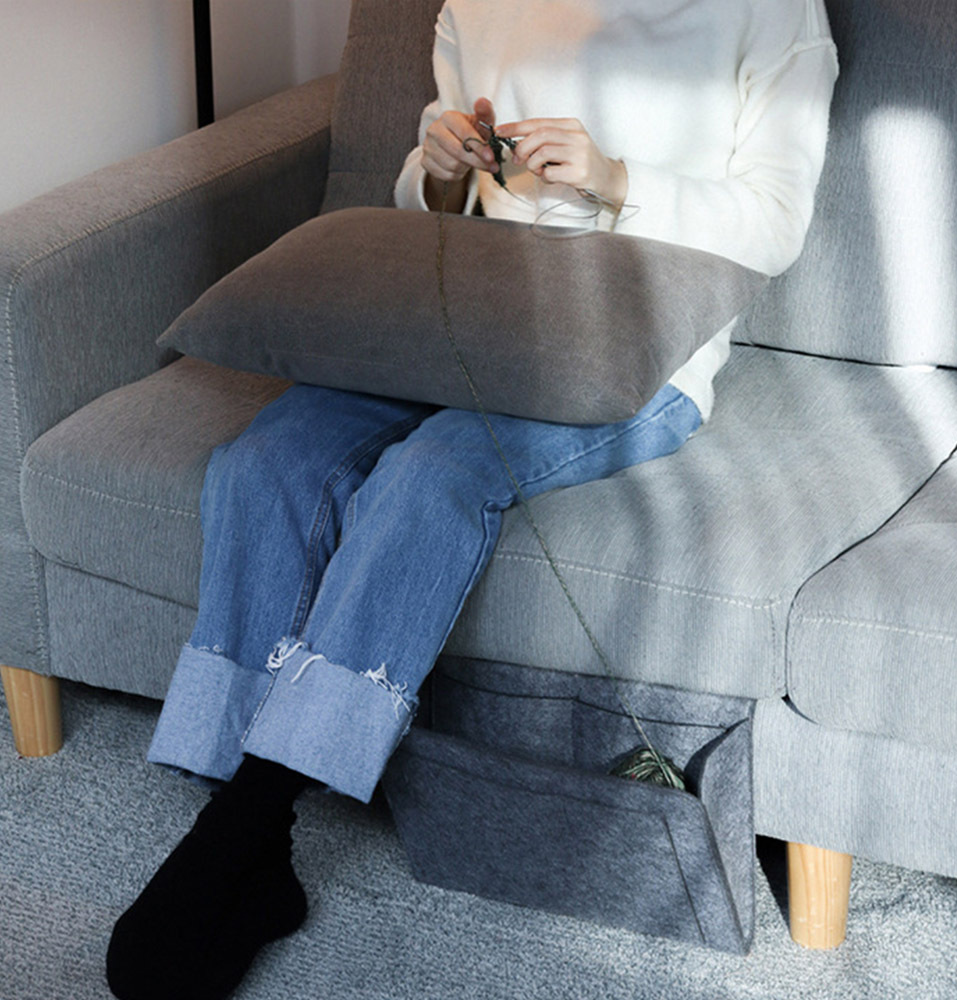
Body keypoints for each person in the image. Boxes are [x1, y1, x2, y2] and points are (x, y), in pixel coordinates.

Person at [106, 2, 838, 997]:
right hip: (456, 311)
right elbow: (430, 204)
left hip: (635, 346)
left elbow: (777, 224)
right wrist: (442, 168)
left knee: (433, 476)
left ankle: (247, 816)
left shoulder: (771, 11)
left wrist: (617, 179)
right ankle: (252, 843)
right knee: (262, 461)